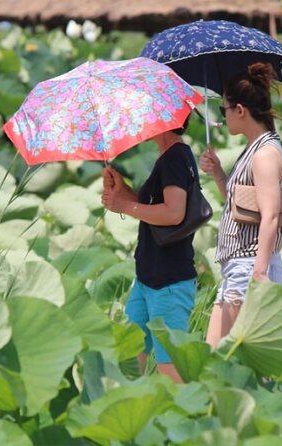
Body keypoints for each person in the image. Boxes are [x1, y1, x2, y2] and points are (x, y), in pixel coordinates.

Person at [101, 118, 198, 384]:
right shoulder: (169, 155)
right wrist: (125, 192)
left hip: (168, 282)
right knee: (130, 359)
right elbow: (155, 210)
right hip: (148, 279)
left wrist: (124, 206)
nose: (138, 121)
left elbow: (174, 213)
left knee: (171, 370)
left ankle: (184, 422)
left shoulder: (175, 157)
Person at [199, 62, 282, 349]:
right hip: (237, 267)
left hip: (250, 265)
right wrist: (218, 174)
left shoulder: (264, 154)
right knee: (214, 352)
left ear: (240, 110)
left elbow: (271, 216)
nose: (223, 117)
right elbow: (242, 207)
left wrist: (259, 274)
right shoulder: (256, 148)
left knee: (229, 356)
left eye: (224, 109)